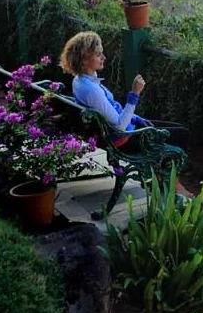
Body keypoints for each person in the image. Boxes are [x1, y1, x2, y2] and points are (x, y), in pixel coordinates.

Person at [59, 31, 191, 197]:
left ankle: (161, 178)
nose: (103, 57)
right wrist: (134, 94)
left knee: (176, 129)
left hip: (119, 131)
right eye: (98, 55)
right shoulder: (91, 90)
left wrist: (136, 118)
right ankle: (173, 184)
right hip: (124, 139)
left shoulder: (81, 80)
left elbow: (111, 112)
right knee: (181, 135)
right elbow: (120, 126)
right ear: (85, 59)